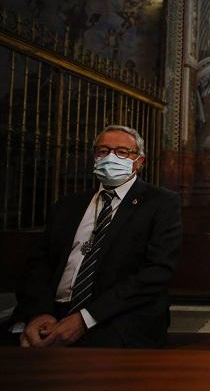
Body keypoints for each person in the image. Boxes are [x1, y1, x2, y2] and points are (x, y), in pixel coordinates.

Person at [11, 125, 182, 348]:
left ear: (139, 161)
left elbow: (158, 270)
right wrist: (39, 313)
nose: (110, 157)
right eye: (103, 151)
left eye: (122, 152)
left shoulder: (160, 203)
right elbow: (40, 264)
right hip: (53, 311)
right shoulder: (68, 205)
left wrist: (85, 318)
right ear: (94, 158)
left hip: (115, 315)